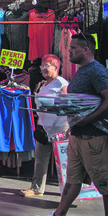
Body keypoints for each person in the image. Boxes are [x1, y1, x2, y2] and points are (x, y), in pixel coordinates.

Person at [35, 33, 108, 216]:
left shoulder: (96, 71)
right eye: (69, 47)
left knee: (105, 183)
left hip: (95, 137)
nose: (69, 51)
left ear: (86, 50)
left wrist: (86, 120)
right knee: (73, 180)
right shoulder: (82, 71)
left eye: (73, 48)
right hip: (78, 136)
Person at [21, 54, 68, 197]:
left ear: (56, 67)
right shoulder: (43, 84)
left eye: (46, 66)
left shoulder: (61, 83)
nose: (42, 69)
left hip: (59, 126)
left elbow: (67, 104)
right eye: (42, 66)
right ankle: (37, 188)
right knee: (40, 158)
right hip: (44, 126)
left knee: (63, 160)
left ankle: (68, 190)